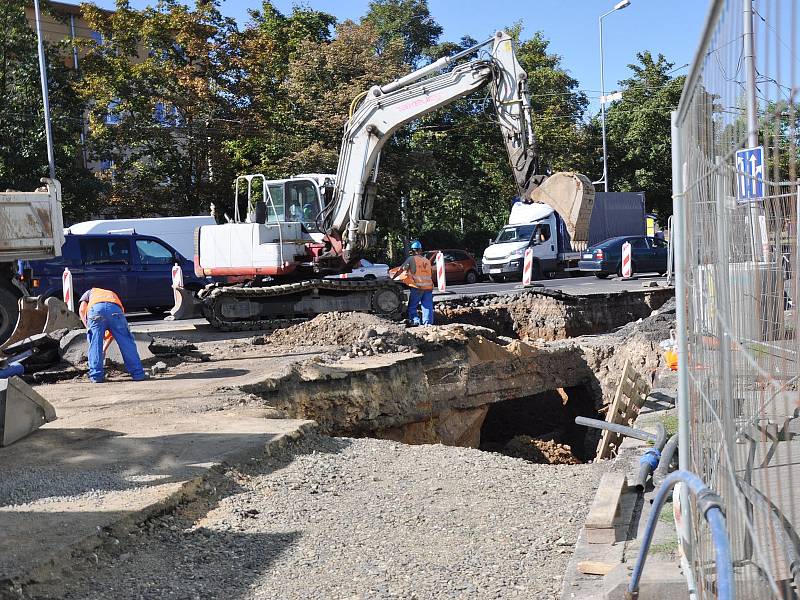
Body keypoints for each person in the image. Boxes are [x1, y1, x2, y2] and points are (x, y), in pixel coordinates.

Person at [78, 288, 147, 383]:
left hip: (96, 311)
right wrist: (104, 349)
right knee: (126, 342)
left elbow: (82, 310)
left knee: (94, 344)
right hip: (115, 311)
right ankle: (138, 374)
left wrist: (88, 327)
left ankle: (96, 376)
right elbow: (112, 334)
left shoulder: (89, 292)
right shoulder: (111, 294)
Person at [393, 240, 434, 325]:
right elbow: (430, 273)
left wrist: (393, 278)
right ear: (420, 249)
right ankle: (428, 323)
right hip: (428, 287)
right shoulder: (426, 260)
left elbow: (401, 269)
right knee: (427, 306)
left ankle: (416, 321)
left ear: (412, 250)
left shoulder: (411, 259)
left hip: (417, 287)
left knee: (412, 306)